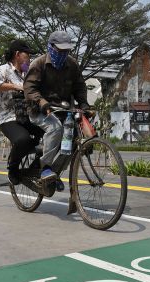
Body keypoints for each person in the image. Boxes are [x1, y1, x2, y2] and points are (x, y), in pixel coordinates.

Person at [24, 31, 90, 182]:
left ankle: (55, 172)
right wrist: (42, 103)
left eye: (66, 51)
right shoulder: (39, 64)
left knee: (73, 141)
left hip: (63, 110)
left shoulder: (72, 64)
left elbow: (80, 86)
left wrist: (84, 104)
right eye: (59, 50)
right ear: (51, 47)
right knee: (55, 128)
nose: (63, 53)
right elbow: (29, 89)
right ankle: (45, 168)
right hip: (39, 110)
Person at [0, 39, 42, 185]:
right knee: (23, 140)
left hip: (28, 117)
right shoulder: (4, 70)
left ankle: (37, 165)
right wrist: (14, 86)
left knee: (52, 133)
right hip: (8, 119)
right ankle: (12, 168)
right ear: (17, 54)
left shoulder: (28, 73)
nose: (29, 58)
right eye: (27, 55)